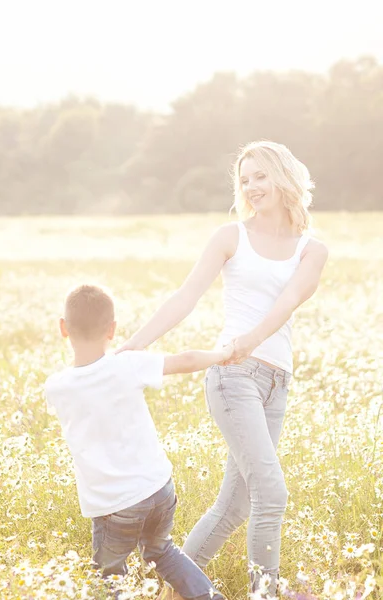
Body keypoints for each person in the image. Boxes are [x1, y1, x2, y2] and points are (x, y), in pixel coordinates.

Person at [116, 141, 329, 597]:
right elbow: (186, 296)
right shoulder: (230, 236)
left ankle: (174, 591)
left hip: (276, 382)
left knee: (235, 506)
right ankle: (264, 594)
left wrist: (251, 340)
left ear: (284, 177)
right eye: (245, 179)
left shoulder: (312, 250)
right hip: (233, 378)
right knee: (271, 494)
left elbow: (288, 301)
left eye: (260, 176)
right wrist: (136, 344)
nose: (251, 187)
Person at [44, 283, 233, 600]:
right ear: (113, 329)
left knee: (109, 575)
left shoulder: (57, 387)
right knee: (163, 552)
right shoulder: (127, 365)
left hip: (114, 506)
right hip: (159, 489)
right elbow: (185, 359)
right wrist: (224, 354)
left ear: (63, 328)